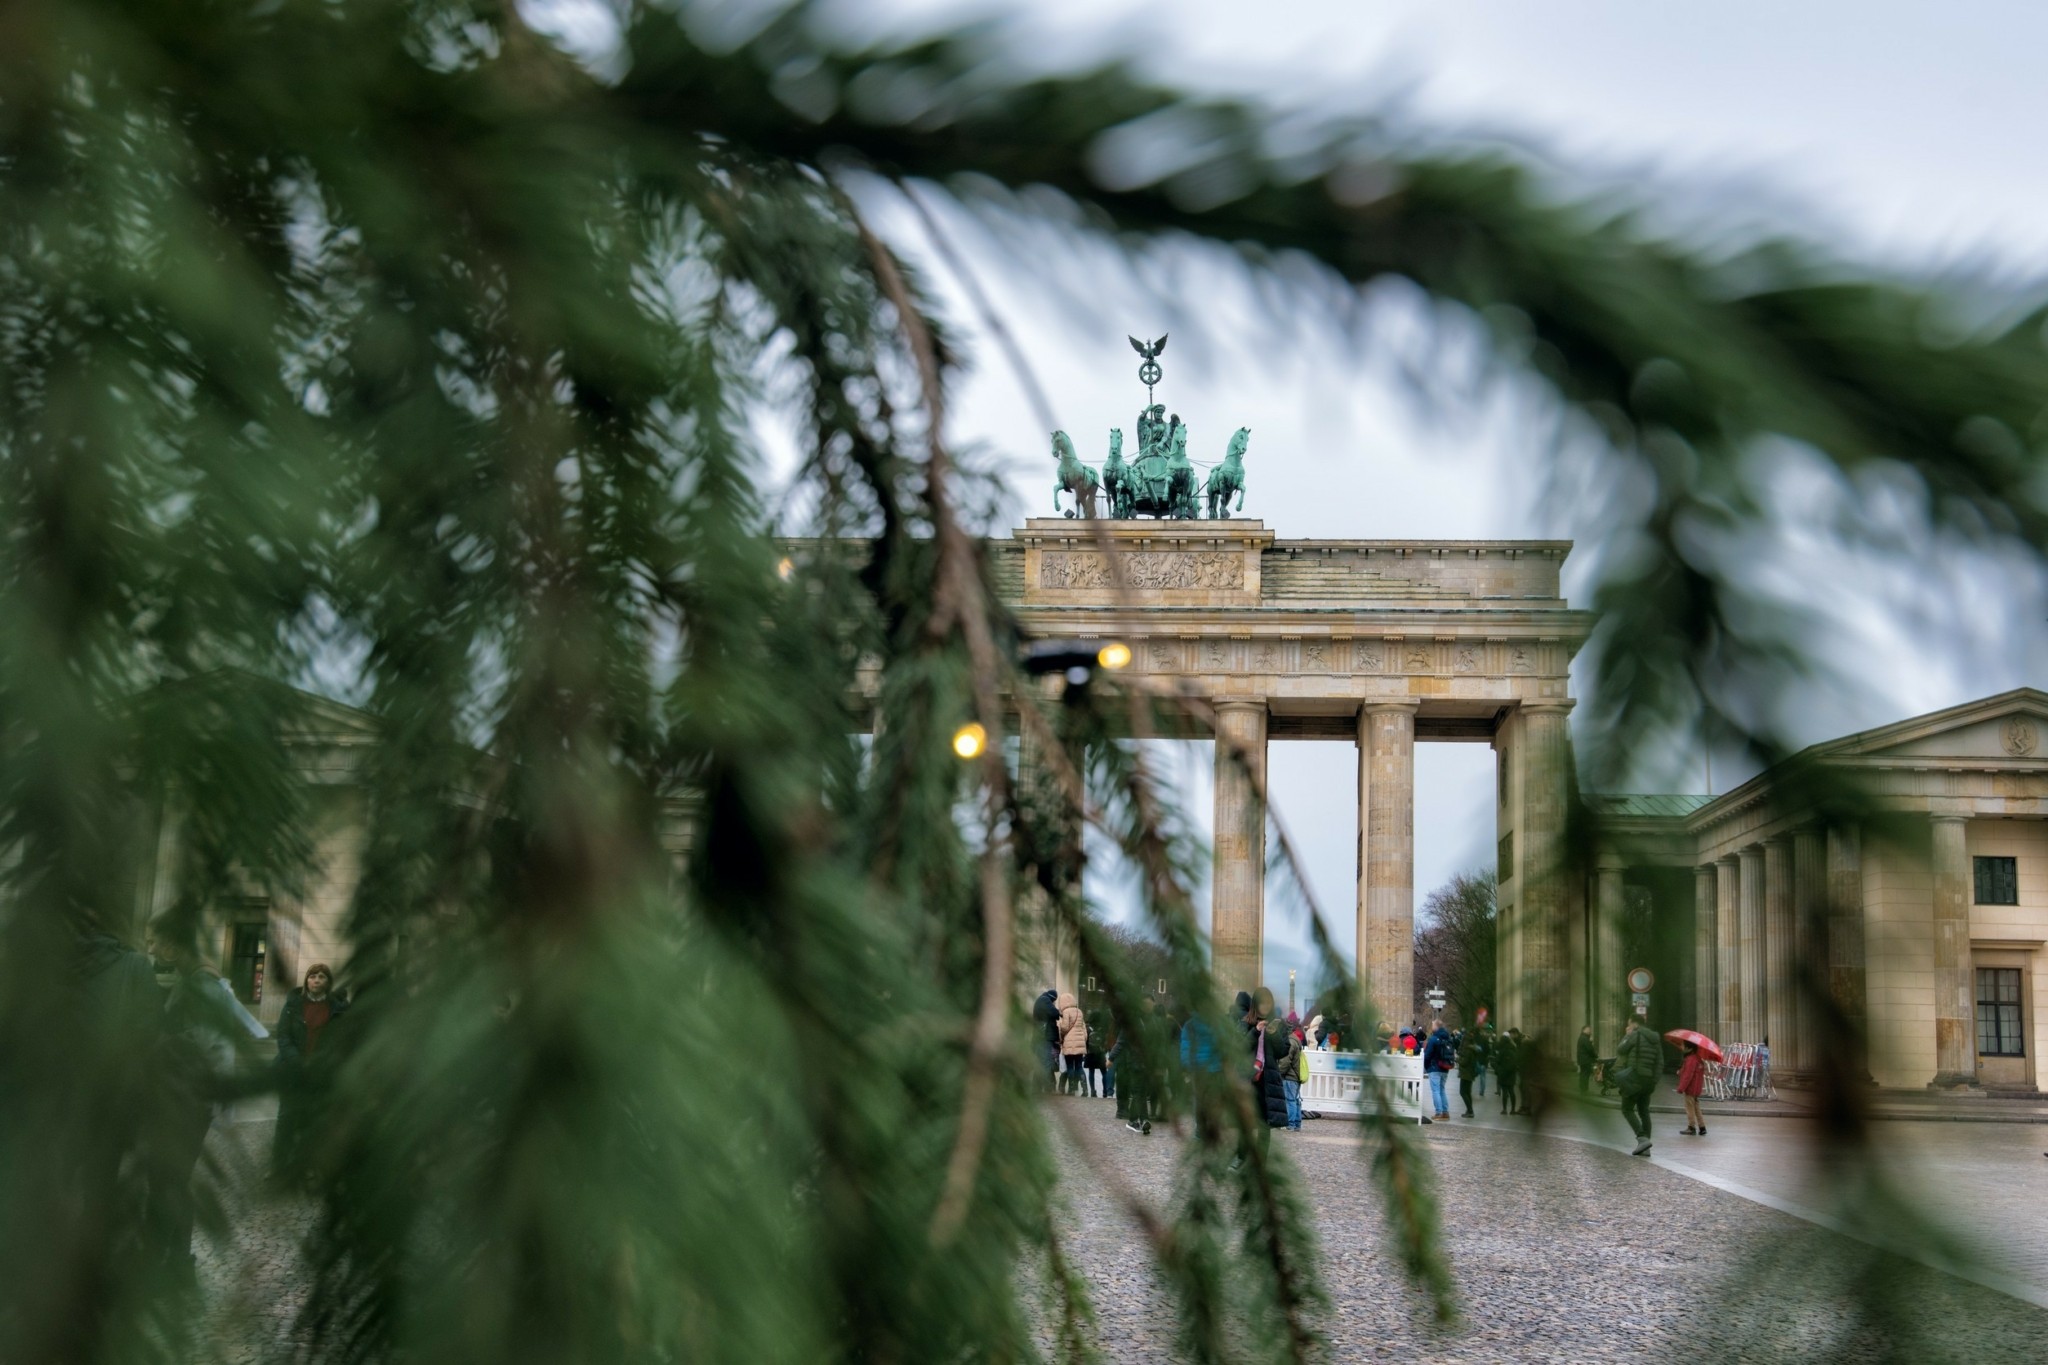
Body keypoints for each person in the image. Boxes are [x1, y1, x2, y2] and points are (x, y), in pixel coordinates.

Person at [274, 962, 350, 1179]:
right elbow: (283, 1036)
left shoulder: (338, 1008)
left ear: (328, 982)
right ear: (306, 980)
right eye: (312, 976)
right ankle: (279, 1166)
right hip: (293, 1070)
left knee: (313, 1120)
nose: (316, 980)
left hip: (321, 1072)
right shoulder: (293, 1005)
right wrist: (296, 1061)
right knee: (286, 1117)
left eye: (321, 977)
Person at [1610, 1014, 1663, 1156]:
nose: (1629, 1027)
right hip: (1649, 1080)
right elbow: (1660, 1062)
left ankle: (1642, 1138)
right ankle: (1646, 1147)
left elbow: (1621, 1050)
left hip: (1635, 1078)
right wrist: (1654, 1081)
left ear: (1634, 1024)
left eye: (1629, 1024)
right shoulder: (1655, 1039)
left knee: (1627, 1109)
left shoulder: (1635, 1035)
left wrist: (1627, 1036)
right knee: (1644, 1111)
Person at [1055, 991, 1087, 1095]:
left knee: (1070, 1066)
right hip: (1080, 1043)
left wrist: (1061, 1035)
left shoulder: (1066, 1012)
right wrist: (1083, 1040)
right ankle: (1085, 1089)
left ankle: (1072, 1089)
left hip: (1069, 1043)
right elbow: (1083, 1028)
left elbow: (1064, 1027)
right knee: (1079, 1066)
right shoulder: (1079, 1011)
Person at [1421, 1021, 1454, 1121]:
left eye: (1432, 1025)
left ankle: (1438, 1112)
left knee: (1435, 1090)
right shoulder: (1448, 1038)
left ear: (1436, 1027)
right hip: (1445, 1067)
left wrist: (1426, 1066)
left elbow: (1427, 1055)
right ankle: (1445, 1112)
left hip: (1434, 1067)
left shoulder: (1434, 1039)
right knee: (1442, 1090)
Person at [1676, 1041, 1707, 1137]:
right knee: (1696, 1107)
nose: (1682, 1047)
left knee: (1689, 1107)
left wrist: (1681, 1088)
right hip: (1696, 1088)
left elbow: (1688, 1075)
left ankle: (1691, 1127)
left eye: (1684, 1046)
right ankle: (1702, 1127)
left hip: (1690, 1088)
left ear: (1690, 1048)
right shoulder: (1697, 1059)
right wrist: (1681, 1071)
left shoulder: (1690, 1059)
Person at [1033, 988, 1060, 1088]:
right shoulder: (1045, 999)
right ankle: (1045, 1086)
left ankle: (1037, 1086)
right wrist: (1059, 1013)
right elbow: (1054, 1012)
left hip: (1040, 1036)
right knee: (1046, 1061)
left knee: (1040, 1061)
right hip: (1045, 1036)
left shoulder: (1040, 1000)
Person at [1455, 1023, 1482, 1117]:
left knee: (1463, 1092)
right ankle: (1469, 1110)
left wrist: (1457, 1059)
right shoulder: (1473, 1047)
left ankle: (1470, 1110)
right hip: (1470, 1072)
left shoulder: (1468, 1049)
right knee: (1467, 1092)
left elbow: (1465, 1062)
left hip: (1466, 1073)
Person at [1493, 1028, 1521, 1115]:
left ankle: (1504, 1109)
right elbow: (1516, 1060)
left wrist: (1498, 1070)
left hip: (1503, 1073)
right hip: (1511, 1073)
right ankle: (1513, 1109)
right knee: (1511, 1091)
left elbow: (1497, 1061)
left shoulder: (1502, 1050)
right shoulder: (1513, 1048)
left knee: (1505, 1092)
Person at [1576, 1025, 1597, 1095]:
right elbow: (1589, 1049)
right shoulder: (1584, 1038)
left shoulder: (1582, 1038)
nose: (1590, 1031)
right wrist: (1595, 1056)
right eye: (1588, 1029)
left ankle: (1583, 1089)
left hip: (1582, 1059)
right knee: (1585, 1075)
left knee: (1583, 1074)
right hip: (1586, 1060)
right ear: (1584, 1030)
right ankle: (1584, 1090)